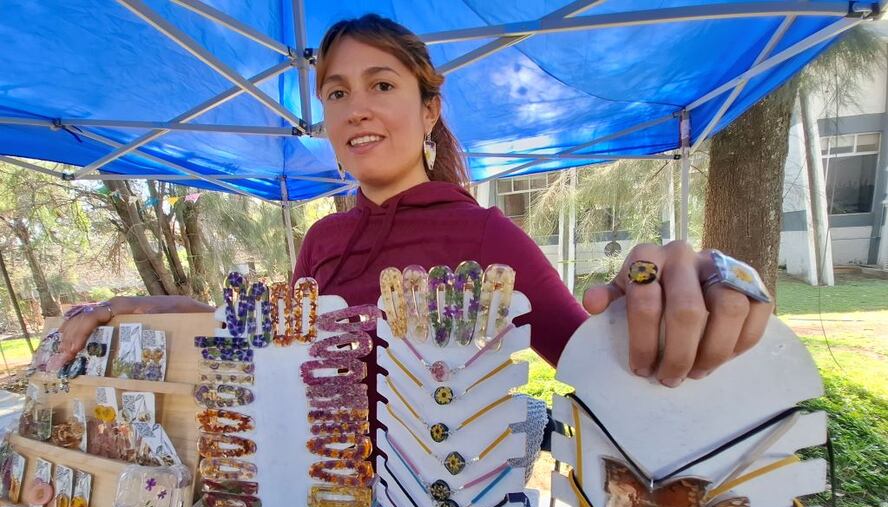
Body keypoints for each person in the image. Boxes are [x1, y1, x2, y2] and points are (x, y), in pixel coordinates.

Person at [57, 13, 772, 389]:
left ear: (430, 110)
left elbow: (598, 358)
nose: (356, 108)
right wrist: (124, 308)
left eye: (382, 85)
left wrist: (709, 284)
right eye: (337, 93)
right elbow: (251, 328)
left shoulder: (489, 237)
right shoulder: (321, 242)